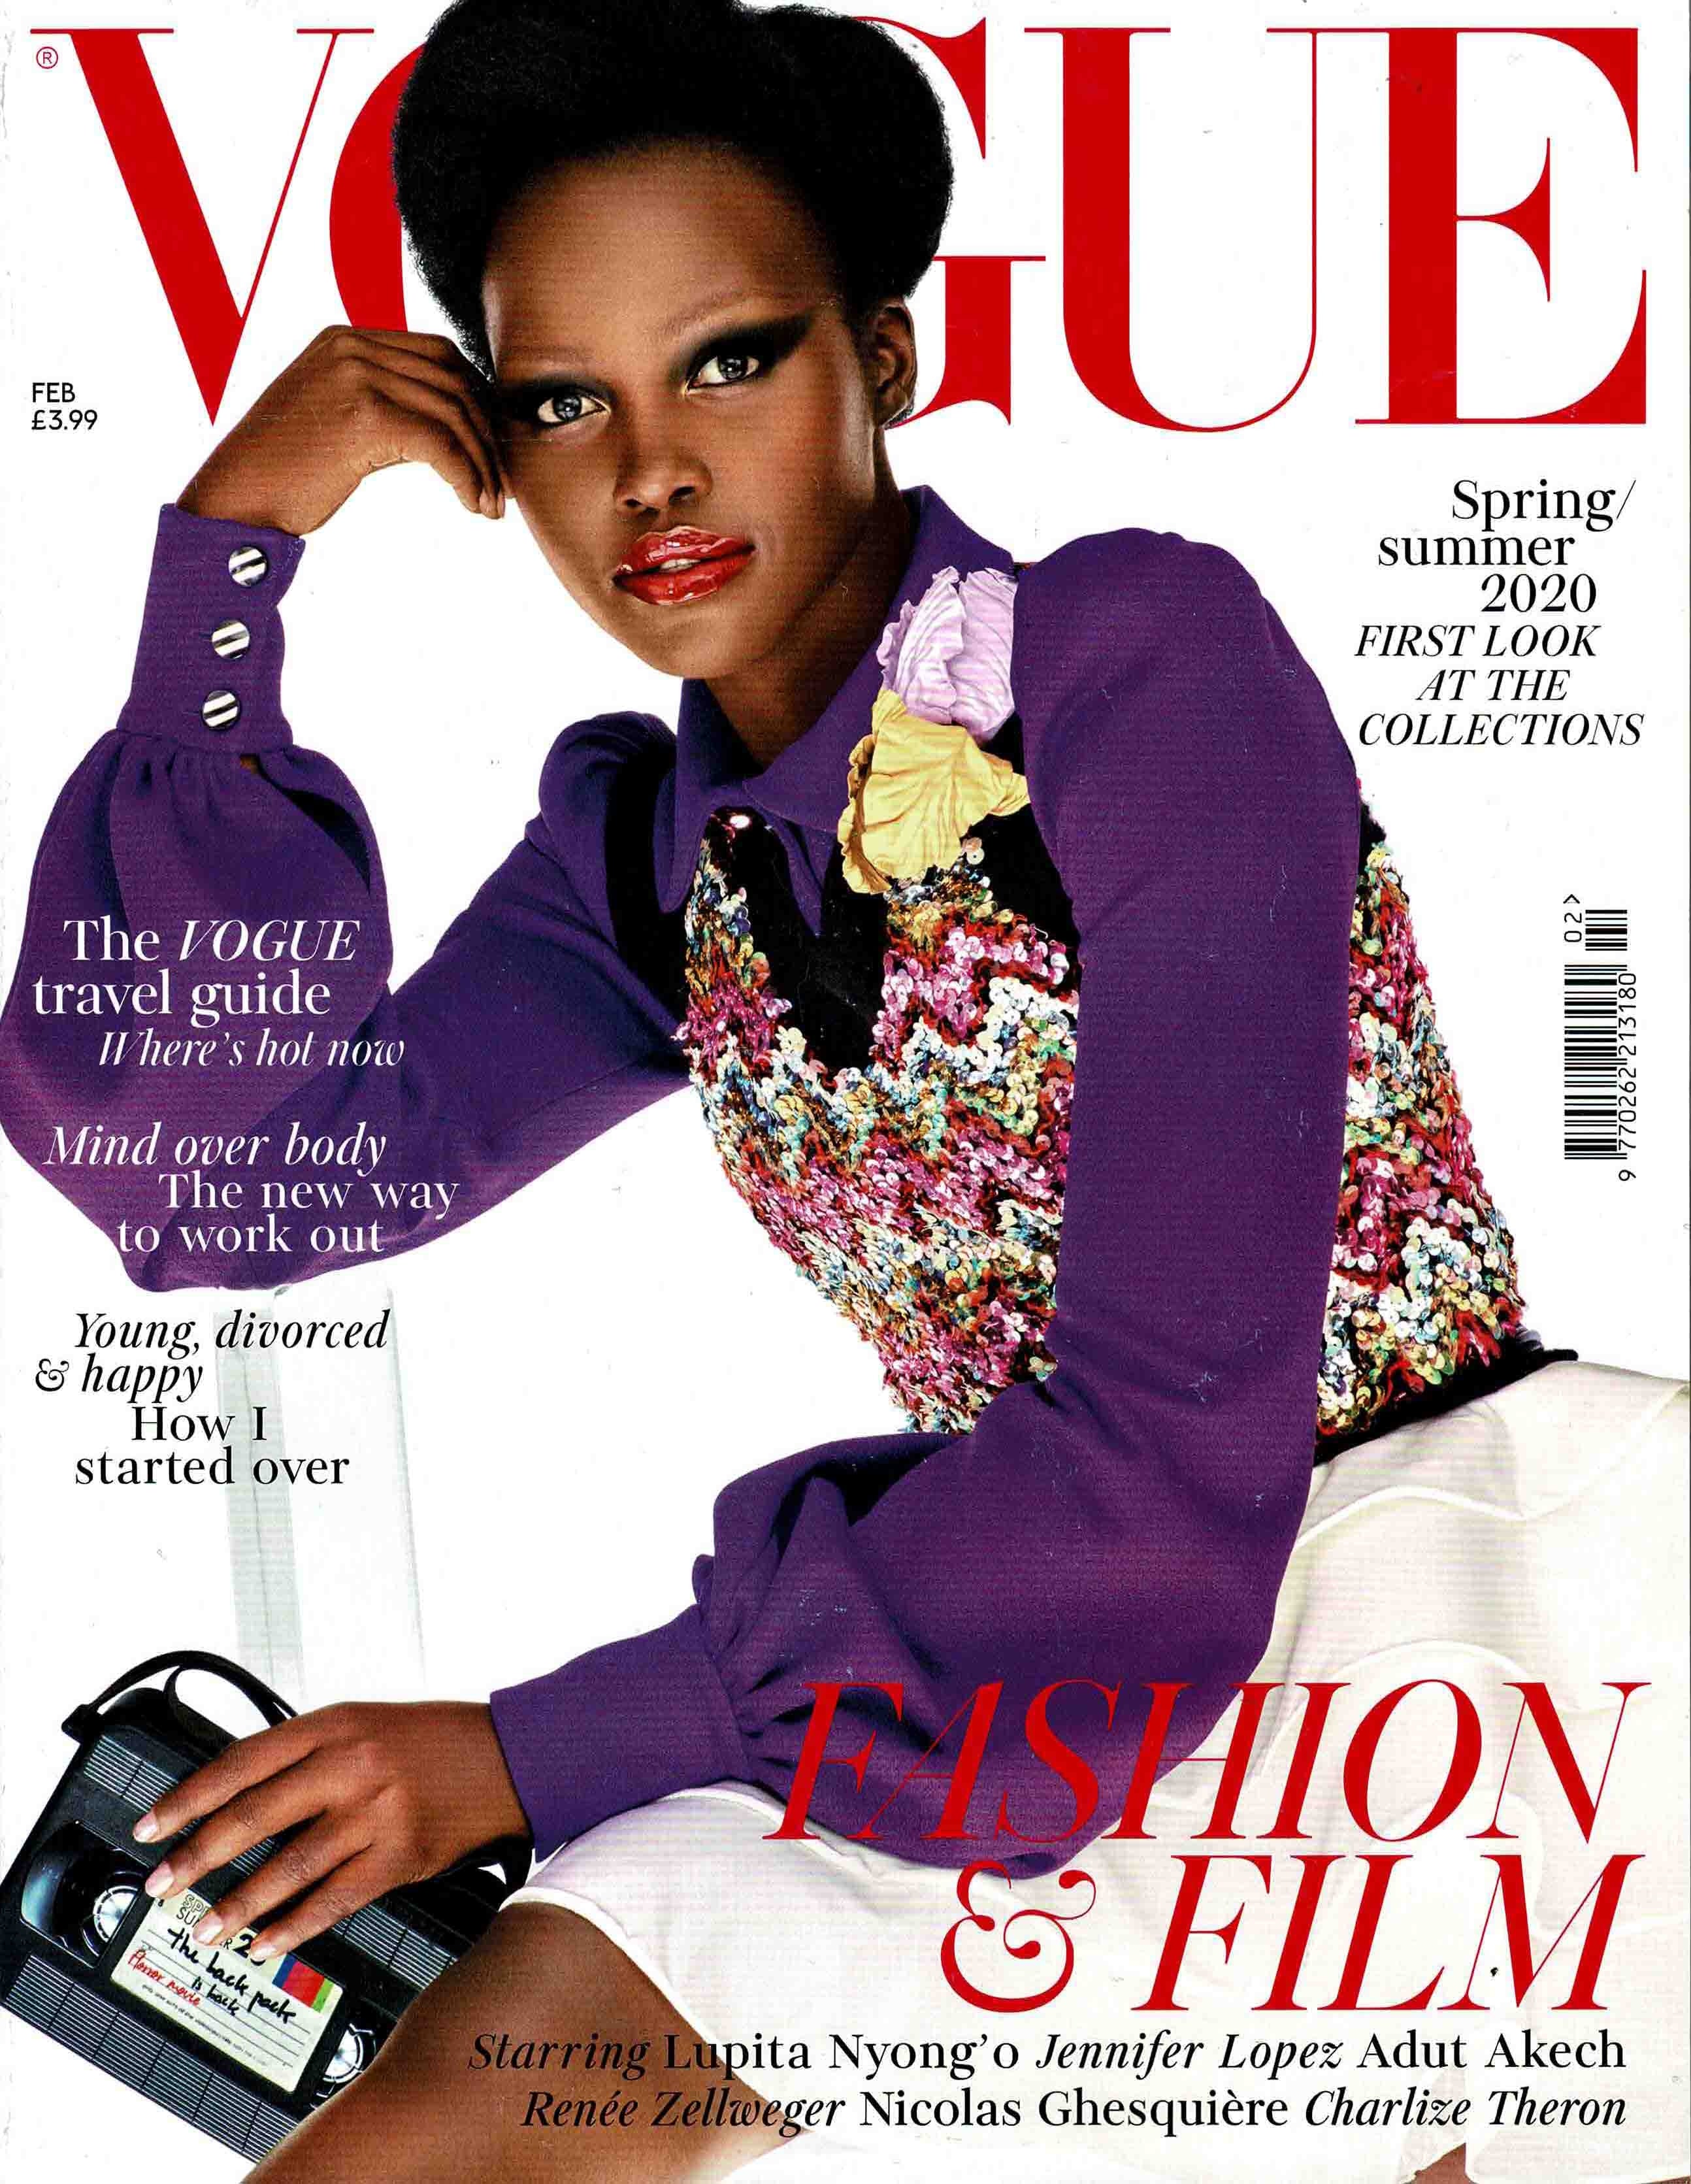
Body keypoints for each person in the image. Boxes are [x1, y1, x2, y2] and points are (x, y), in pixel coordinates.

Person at [0, 1, 1683, 2177]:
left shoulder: (1138, 660)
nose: (650, 472)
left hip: (1458, 1618)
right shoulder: (646, 861)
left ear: (879, 359)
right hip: (990, 1685)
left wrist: (523, 1748)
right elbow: (205, 1196)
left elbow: (1174, 1430)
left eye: (727, 360)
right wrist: (232, 555)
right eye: (563, 401)